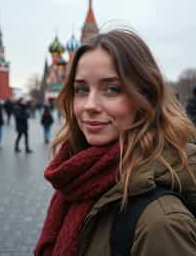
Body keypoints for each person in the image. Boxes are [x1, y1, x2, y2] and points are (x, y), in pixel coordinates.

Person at [34, 29, 196, 256]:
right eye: (81, 89)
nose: (89, 105)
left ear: (146, 96)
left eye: (112, 89)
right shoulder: (77, 180)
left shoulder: (161, 224)